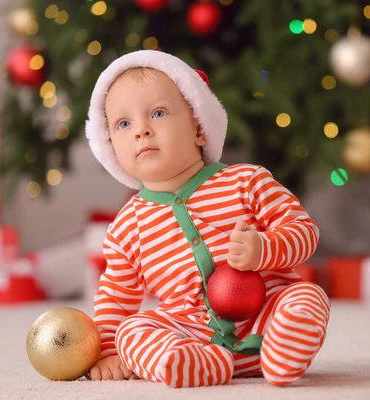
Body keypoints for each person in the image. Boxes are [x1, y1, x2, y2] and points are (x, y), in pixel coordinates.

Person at [84, 50, 330, 387]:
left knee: (306, 297)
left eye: (158, 113)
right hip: (193, 331)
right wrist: (110, 349)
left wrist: (265, 248)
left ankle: (283, 347)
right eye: (123, 124)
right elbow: (115, 295)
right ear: (111, 148)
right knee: (132, 331)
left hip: (265, 311)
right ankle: (195, 362)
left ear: (199, 128)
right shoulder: (127, 226)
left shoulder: (246, 181)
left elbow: (304, 231)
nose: (141, 130)